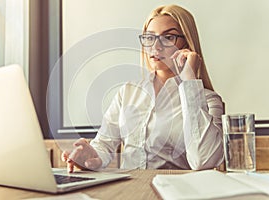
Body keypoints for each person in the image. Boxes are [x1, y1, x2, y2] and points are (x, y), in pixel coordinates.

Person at [62, 4, 224, 172]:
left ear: (187, 43)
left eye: (168, 37)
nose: (156, 47)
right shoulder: (128, 92)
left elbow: (203, 161)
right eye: (149, 38)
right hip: (129, 190)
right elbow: (104, 144)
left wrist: (189, 80)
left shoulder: (208, 100)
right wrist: (92, 155)